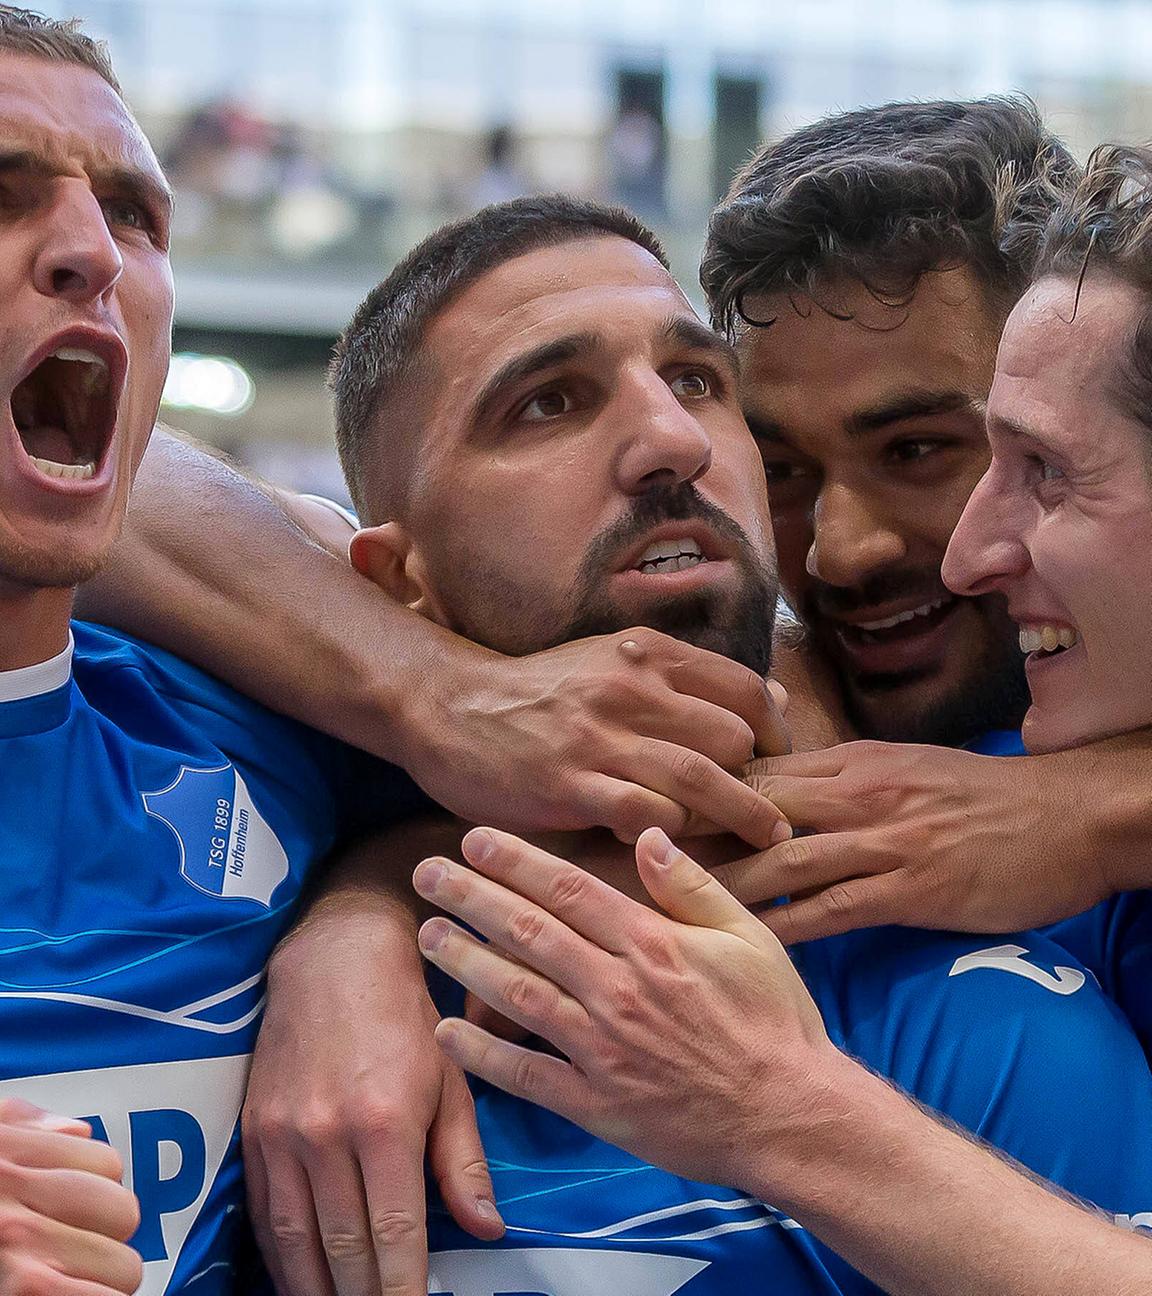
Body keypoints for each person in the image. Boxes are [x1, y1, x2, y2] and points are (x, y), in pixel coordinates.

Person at [321, 191, 1152, 1295]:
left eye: (698, 384)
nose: (669, 439)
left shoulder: (1026, 865)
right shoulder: (262, 857)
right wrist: (356, 908)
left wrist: (1103, 812)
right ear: (396, 582)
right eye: (546, 403)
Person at [688, 98, 1152, 943]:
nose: (841, 554)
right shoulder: (726, 713)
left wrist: (1097, 807)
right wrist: (373, 910)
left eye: (915, 451)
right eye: (782, 471)